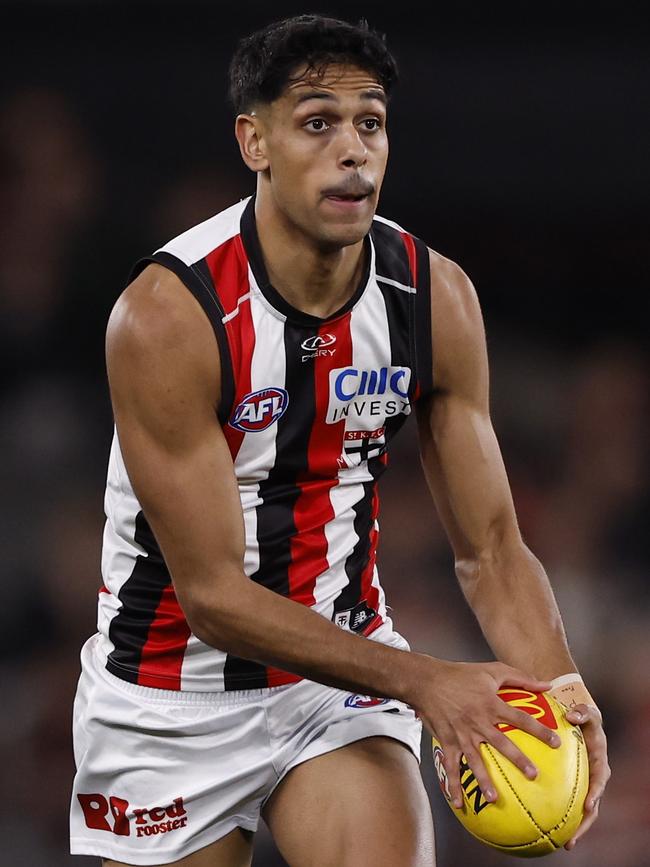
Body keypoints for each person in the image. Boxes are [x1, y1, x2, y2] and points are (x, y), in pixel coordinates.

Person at [69, 14, 609, 867]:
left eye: (371, 123)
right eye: (318, 122)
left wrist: (563, 692)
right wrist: (432, 682)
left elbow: (493, 548)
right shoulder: (169, 315)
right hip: (168, 691)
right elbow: (213, 595)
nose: (352, 149)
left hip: (339, 681)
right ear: (255, 141)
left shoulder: (432, 298)